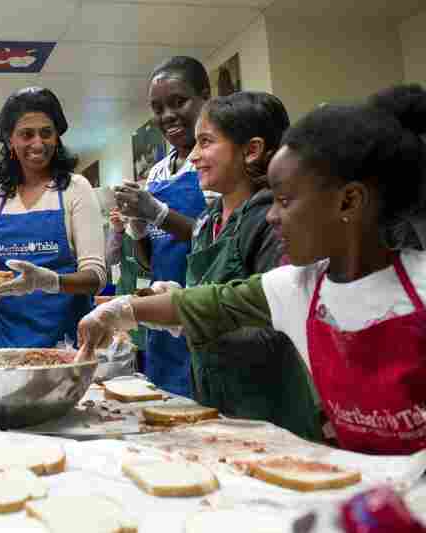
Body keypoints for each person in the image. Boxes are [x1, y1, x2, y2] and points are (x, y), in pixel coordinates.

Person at [78, 84, 426, 455]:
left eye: (285, 201)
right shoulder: (299, 286)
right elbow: (213, 302)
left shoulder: (416, 286)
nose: (273, 214)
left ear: (349, 200)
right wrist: (122, 310)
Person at [124, 91, 320, 439]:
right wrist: (180, 298)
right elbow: (210, 295)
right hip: (216, 398)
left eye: (206, 143)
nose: (194, 156)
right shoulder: (207, 221)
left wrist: (187, 316)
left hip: (270, 409)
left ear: (251, 150)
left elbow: (277, 323)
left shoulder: (269, 220)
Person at [0, 87, 106, 348]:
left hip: (67, 345)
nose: (37, 143)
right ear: (10, 140)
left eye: (46, 133)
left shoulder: (75, 189)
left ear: (57, 137)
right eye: (26, 134)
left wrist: (51, 282)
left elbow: (96, 277)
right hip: (5, 346)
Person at [113, 56, 208, 396]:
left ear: (205, 97)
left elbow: (217, 242)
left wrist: (158, 214)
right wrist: (137, 227)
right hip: (162, 315)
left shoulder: (214, 162)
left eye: (178, 102)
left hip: (202, 309)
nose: (167, 116)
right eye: (157, 108)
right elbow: (150, 263)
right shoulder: (157, 173)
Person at [105, 208, 150, 370]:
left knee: (149, 355)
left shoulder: (152, 231)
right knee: (126, 359)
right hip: (125, 298)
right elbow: (110, 260)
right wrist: (116, 230)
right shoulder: (122, 233)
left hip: (149, 302)